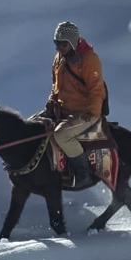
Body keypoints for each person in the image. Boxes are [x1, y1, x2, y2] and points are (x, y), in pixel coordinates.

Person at [45, 21, 105, 186]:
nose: (58, 48)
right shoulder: (58, 58)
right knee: (33, 125)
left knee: (61, 135)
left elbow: (97, 89)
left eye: (63, 44)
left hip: (85, 112)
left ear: (72, 42)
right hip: (63, 110)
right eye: (56, 43)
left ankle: (83, 174)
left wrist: (92, 111)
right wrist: (51, 102)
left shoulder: (89, 59)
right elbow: (55, 86)